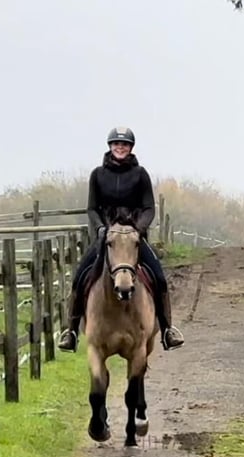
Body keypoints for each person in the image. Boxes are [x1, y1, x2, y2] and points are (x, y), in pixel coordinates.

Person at [57, 126, 185, 353]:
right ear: (110, 147)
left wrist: (138, 229)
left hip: (133, 237)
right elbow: (92, 209)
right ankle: (72, 331)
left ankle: (167, 329)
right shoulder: (97, 175)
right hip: (106, 238)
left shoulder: (141, 174)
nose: (120, 147)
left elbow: (148, 208)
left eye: (124, 144)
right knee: (79, 278)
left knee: (158, 277)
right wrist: (99, 229)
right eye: (116, 144)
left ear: (130, 148)